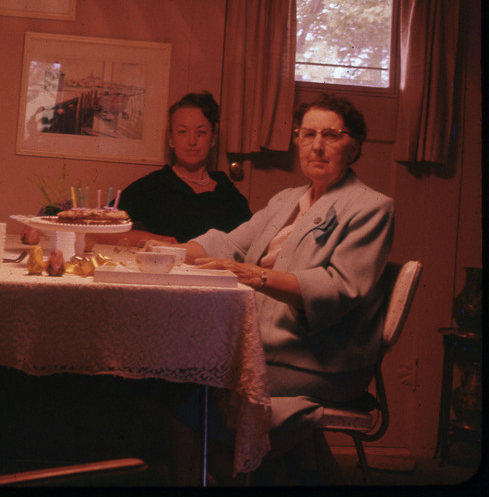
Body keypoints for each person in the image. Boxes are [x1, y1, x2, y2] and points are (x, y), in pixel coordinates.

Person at [151, 93, 394, 484]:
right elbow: (229, 244)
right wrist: (170, 253)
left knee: (189, 372)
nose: (317, 145)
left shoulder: (371, 207)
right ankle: (224, 470)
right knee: (173, 368)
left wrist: (254, 276)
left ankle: (229, 470)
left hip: (321, 358)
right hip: (269, 343)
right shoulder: (286, 201)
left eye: (332, 135)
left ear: (355, 146)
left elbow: (340, 288)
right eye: (308, 134)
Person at [111, 91, 252, 247]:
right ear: (171, 139)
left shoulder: (226, 191)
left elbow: (252, 242)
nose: (192, 141)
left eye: (201, 133)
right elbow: (97, 229)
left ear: (212, 139)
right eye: (182, 132)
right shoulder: (154, 185)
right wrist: (159, 241)